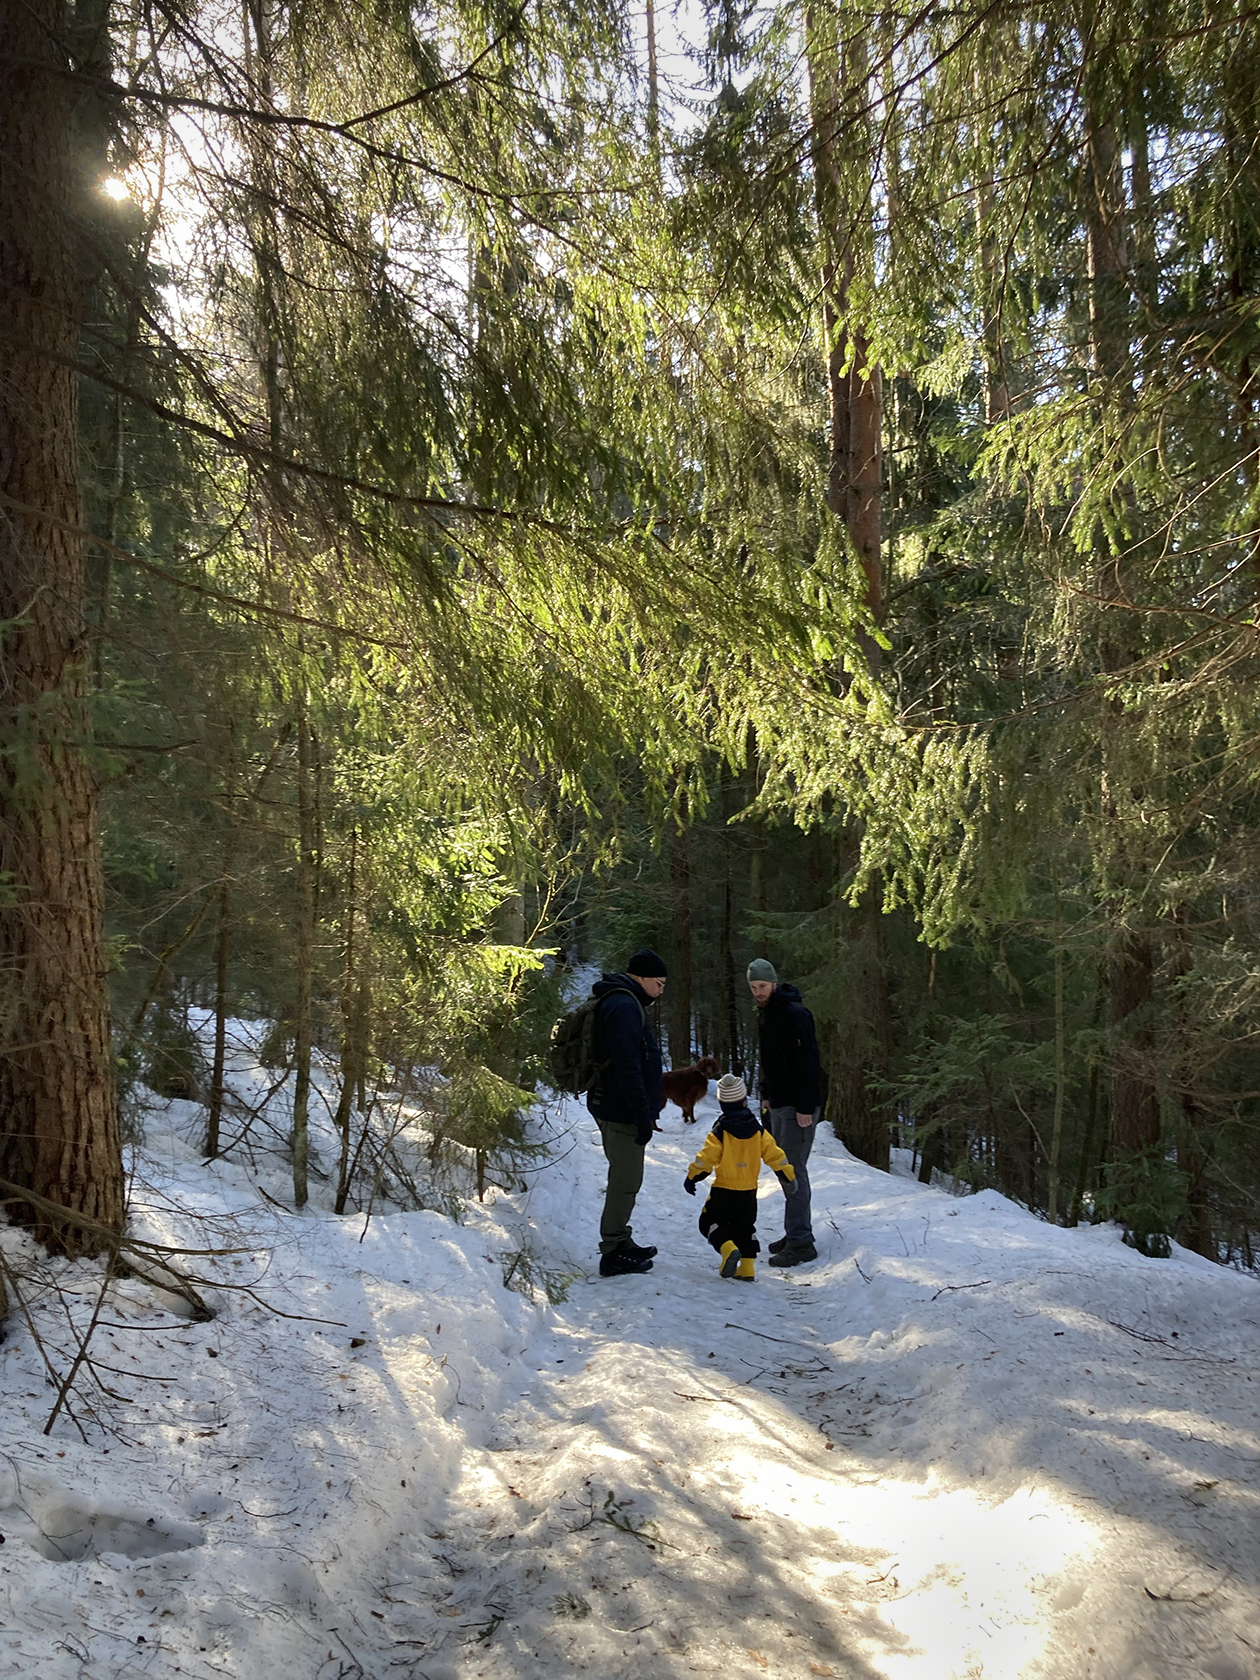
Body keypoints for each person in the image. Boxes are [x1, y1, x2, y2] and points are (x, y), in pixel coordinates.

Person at [587, 949, 667, 1277]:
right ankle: (613, 1251)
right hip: (620, 1110)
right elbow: (627, 1065)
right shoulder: (623, 1006)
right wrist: (640, 1113)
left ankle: (621, 1240)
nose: (662, 990)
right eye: (659, 983)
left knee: (626, 1177)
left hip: (617, 1106)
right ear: (642, 978)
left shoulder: (622, 1001)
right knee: (625, 1180)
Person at [683, 1073, 795, 1281]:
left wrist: (693, 1176)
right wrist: (787, 1173)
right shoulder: (758, 1130)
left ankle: (726, 1249)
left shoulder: (720, 1130)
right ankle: (747, 1268)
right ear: (744, 1101)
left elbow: (707, 1157)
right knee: (744, 1227)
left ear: (721, 1104)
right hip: (749, 1191)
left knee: (708, 1222)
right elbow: (774, 1153)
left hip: (724, 1189)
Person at [747, 958, 822, 1267]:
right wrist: (766, 1094)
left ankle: (802, 1241)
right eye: (753, 988)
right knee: (784, 1169)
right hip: (778, 1103)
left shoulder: (796, 1014)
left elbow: (809, 1062)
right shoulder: (767, 1015)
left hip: (798, 1106)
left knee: (793, 1171)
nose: (758, 993)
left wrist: (805, 1106)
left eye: (762, 986)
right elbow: (770, 1060)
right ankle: (795, 1233)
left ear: (774, 983)